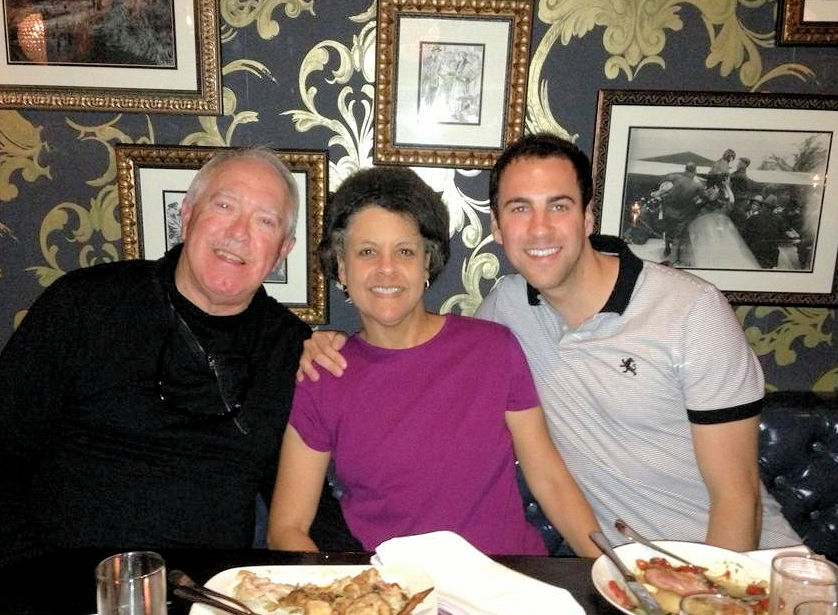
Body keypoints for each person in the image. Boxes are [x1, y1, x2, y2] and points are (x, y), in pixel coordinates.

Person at [300, 134, 801, 552]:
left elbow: (738, 499)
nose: (539, 228)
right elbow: (418, 353)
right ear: (497, 226)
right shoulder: (504, 315)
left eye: (558, 206)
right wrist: (331, 344)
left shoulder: (692, 310)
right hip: (621, 573)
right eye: (520, 209)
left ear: (586, 217)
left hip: (749, 571)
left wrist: (708, 601)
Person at [0, 147, 353, 567]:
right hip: (63, 579)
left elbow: (302, 499)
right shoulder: (84, 304)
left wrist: (351, 574)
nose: (239, 233)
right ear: (186, 216)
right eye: (225, 205)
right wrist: (30, 577)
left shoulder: (289, 351)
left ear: (282, 250)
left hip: (212, 594)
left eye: (265, 221)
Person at [267, 166, 601, 557]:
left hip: (510, 585)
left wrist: (612, 574)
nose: (386, 269)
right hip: (399, 596)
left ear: (428, 262)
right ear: (342, 266)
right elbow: (285, 528)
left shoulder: (493, 348)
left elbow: (550, 481)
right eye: (367, 252)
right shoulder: (324, 375)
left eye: (405, 251)